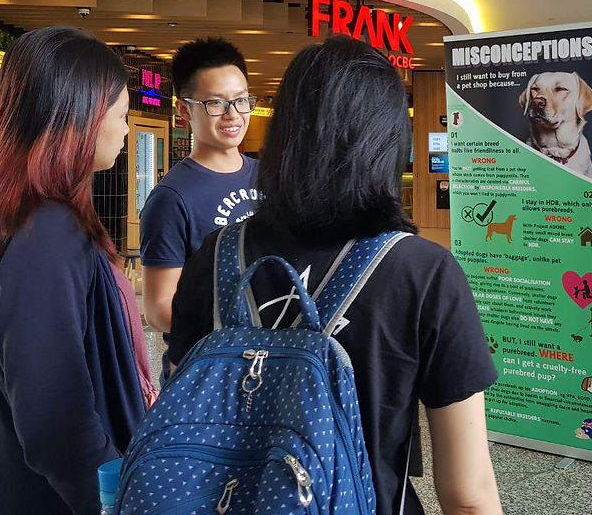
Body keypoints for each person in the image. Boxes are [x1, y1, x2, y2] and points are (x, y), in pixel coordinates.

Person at [168, 36, 502, 515]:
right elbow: (468, 496)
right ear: (387, 141)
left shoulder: (216, 255)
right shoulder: (422, 274)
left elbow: (185, 416)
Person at [0, 27, 155, 515]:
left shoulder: (13, 215)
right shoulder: (44, 231)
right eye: (121, 115)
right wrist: (112, 501)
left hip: (4, 485)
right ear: (77, 116)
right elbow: (55, 419)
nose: (126, 130)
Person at [140, 37, 259, 334]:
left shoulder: (271, 178)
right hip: (213, 366)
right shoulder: (171, 198)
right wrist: (235, 334)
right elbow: (158, 308)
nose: (233, 114)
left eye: (241, 100)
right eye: (215, 103)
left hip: (274, 357)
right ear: (183, 110)